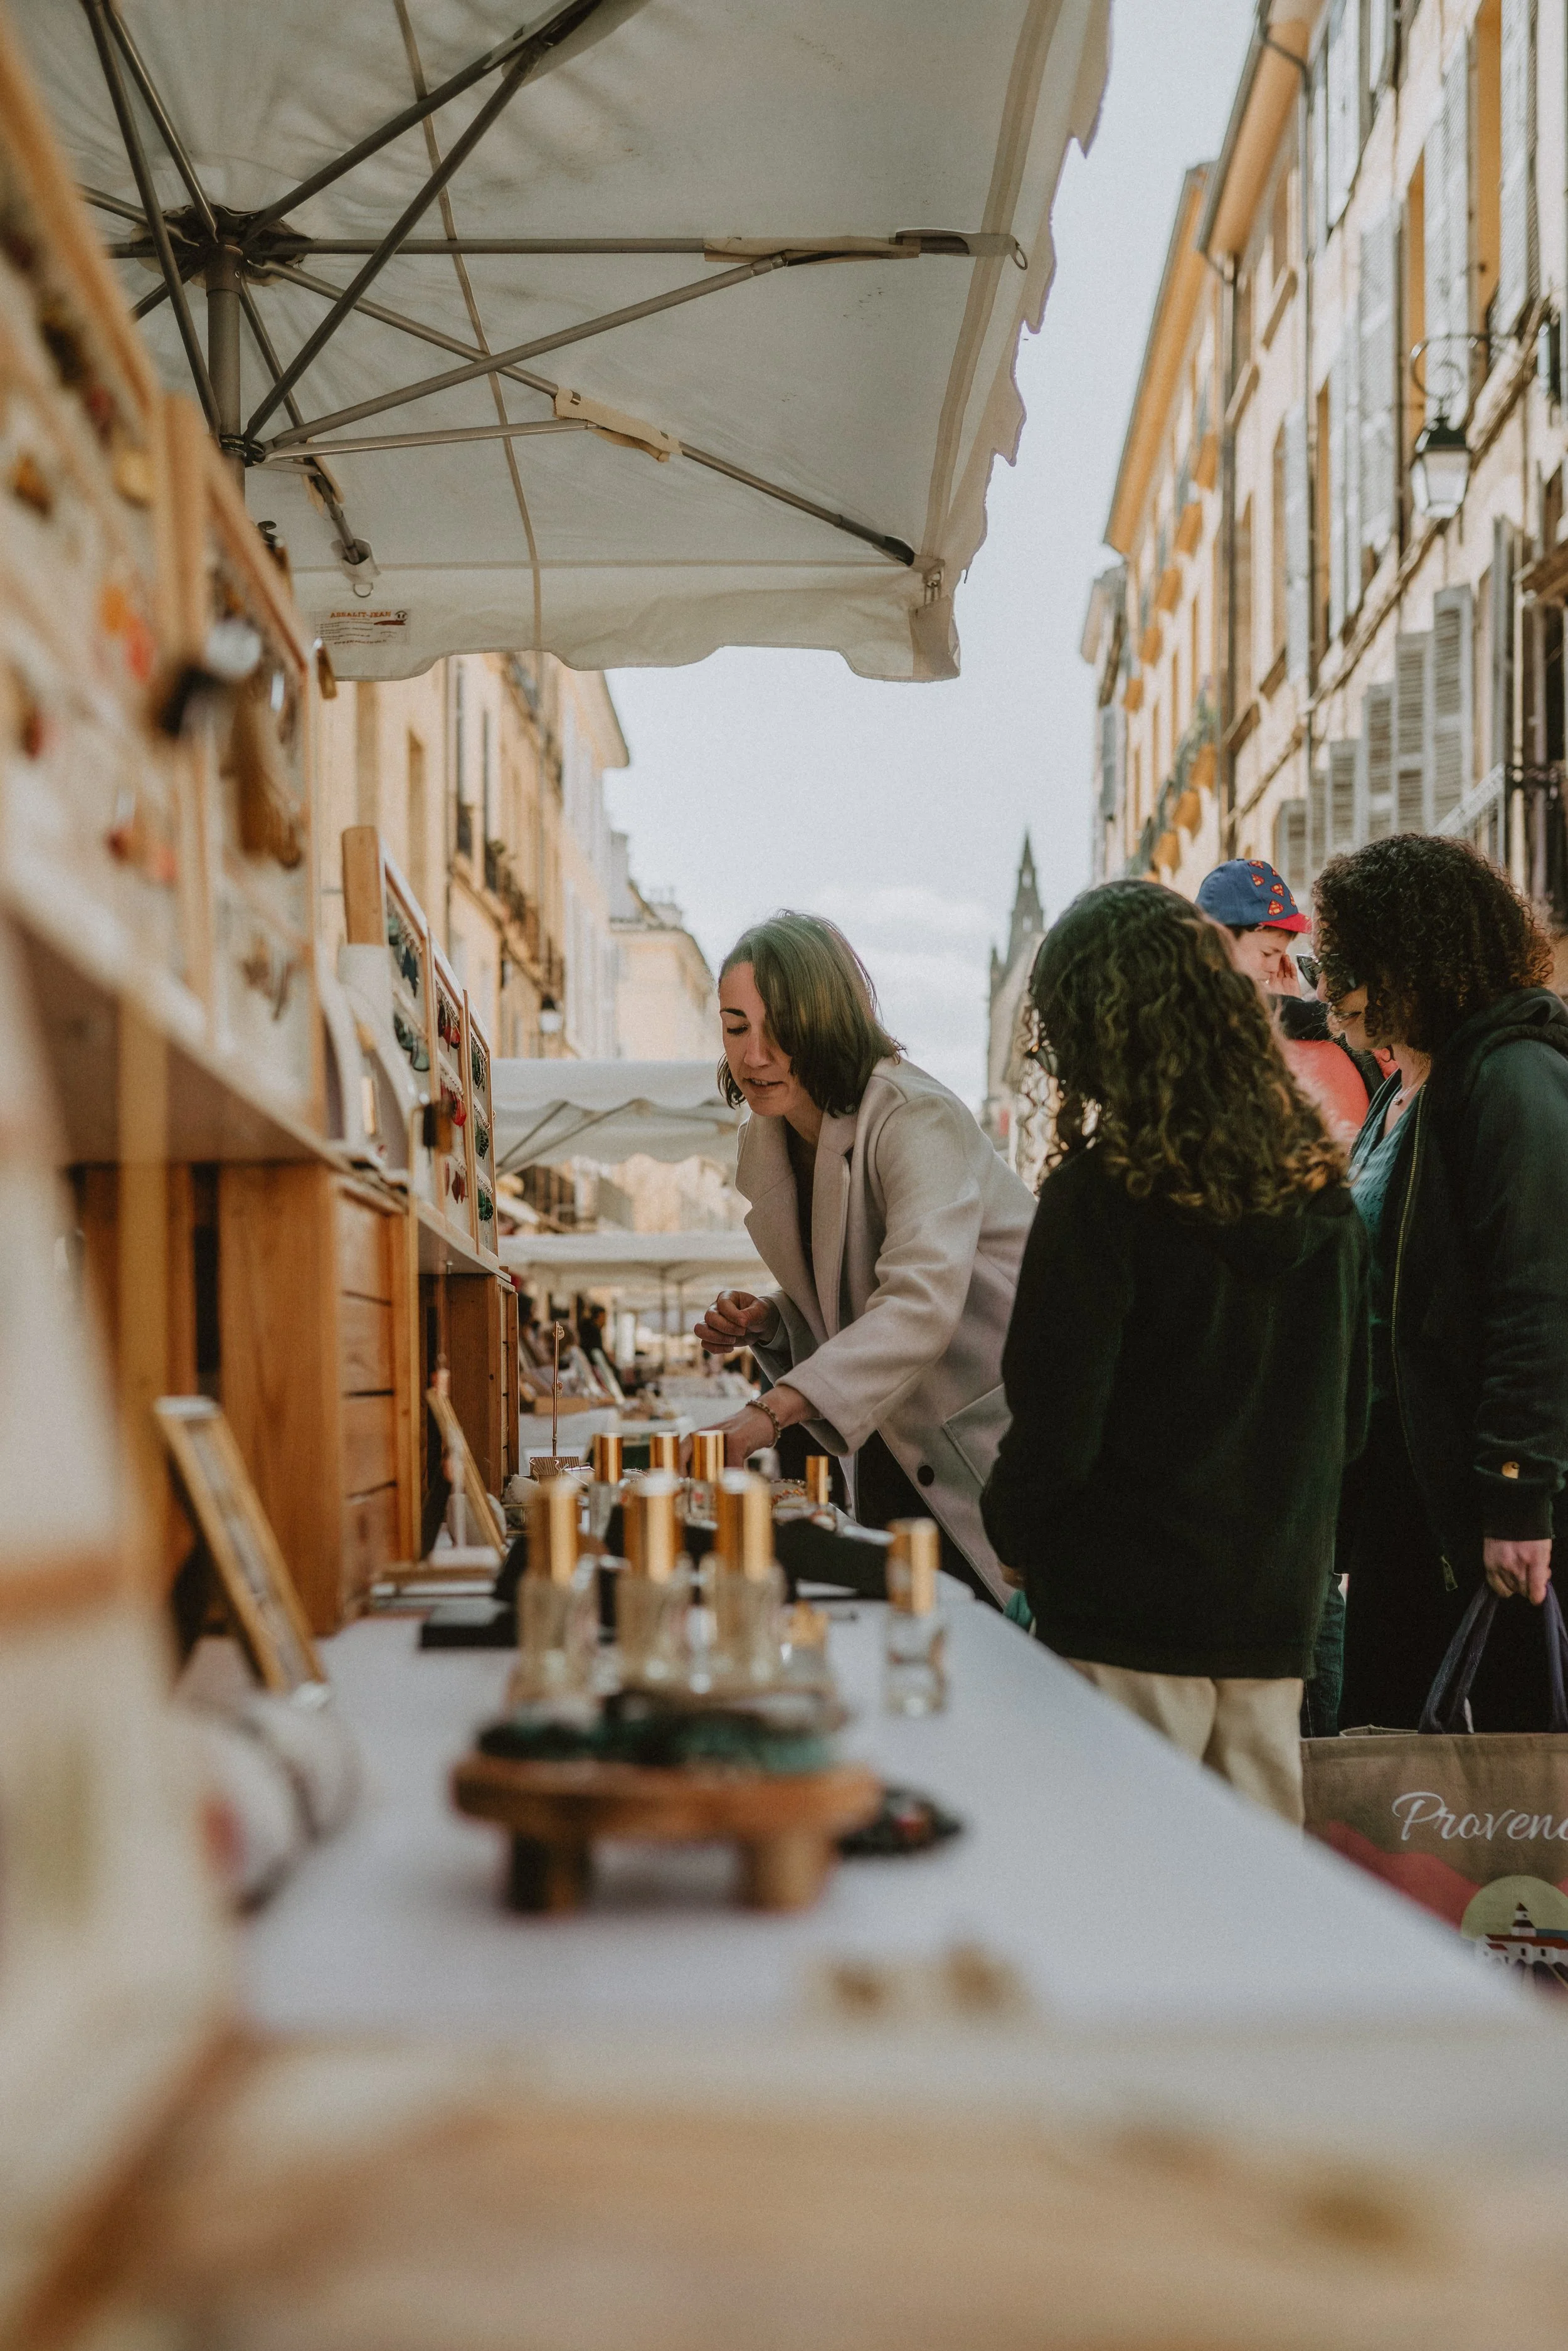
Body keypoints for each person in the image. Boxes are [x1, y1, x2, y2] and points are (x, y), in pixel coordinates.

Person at [981, 881, 1368, 1823]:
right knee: (1250, 1928)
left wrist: (1017, 1537)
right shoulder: (1324, 1197)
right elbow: (1348, 1424)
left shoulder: (1099, 1199)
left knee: (1121, 1914)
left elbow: (1054, 1430)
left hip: (1122, 1622)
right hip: (1272, 1624)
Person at [692, 911, 1034, 1606]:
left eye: (778, 1028)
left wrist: (769, 1414)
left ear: (827, 1020)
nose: (754, 1054)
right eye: (735, 1027)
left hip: (992, 1449)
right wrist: (773, 1320)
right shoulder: (770, 1135)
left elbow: (917, 1301)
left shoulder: (916, 1116)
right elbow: (850, 1285)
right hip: (888, 1446)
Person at [1314, 834, 1568, 1731]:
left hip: (1482, 1510)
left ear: (1409, 958)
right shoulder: (1397, 1094)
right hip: (1404, 1498)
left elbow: (1538, 1300)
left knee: (1497, 1791)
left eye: (1341, 961)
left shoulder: (1512, 1075)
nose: (1322, 985)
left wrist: (1516, 1495)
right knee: (1387, 1754)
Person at [1195, 858, 1374, 1145]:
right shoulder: (1207, 1006)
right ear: (1219, 941)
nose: (1274, 967)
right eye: (1268, 954)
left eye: (1282, 955)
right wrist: (1289, 1010)